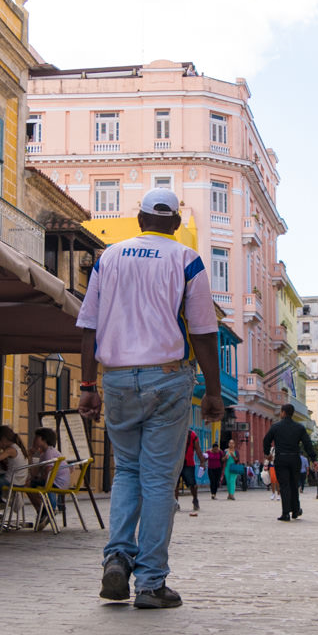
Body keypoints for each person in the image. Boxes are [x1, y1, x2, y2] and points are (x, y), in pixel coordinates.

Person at [77, 188, 223, 610]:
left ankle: (118, 557)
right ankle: (151, 583)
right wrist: (212, 392)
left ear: (138, 220)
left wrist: (88, 387)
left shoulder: (108, 257)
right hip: (167, 377)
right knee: (158, 480)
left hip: (117, 379)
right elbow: (202, 331)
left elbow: (88, 326)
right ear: (175, 224)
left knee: (126, 472)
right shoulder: (186, 259)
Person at [263, 404, 316, 522]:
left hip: (281, 459)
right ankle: (296, 510)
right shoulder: (299, 428)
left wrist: (267, 453)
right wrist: (314, 458)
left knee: (284, 486)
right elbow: (308, 444)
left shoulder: (276, 427)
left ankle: (286, 513)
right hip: (294, 459)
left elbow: (266, 440)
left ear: (283, 412)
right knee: (294, 484)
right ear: (292, 413)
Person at [0, 425, 28, 528]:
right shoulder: (17, 447)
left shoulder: (10, 450)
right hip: (19, 481)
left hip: (11, 481)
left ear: (3, 439)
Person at [177, 428, 204, 514]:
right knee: (174, 485)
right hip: (176, 463)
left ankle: (195, 499)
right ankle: (175, 502)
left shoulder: (192, 434)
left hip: (188, 463)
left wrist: (202, 461)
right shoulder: (174, 432)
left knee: (192, 484)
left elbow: (198, 449)